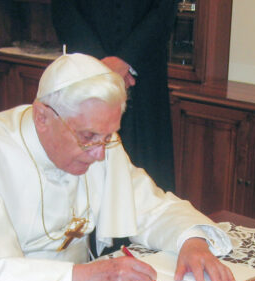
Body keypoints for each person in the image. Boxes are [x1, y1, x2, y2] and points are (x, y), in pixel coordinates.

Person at [0, 53, 235, 281]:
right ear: (42, 117)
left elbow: (150, 206)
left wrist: (192, 242)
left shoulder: (100, 141)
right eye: (88, 137)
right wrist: (84, 279)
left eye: (108, 137)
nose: (100, 155)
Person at [51, 0, 178, 192]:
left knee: (147, 175)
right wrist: (101, 67)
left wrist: (126, 59)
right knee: (85, 163)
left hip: (144, 74)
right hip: (85, 72)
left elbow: (164, 10)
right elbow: (64, 9)